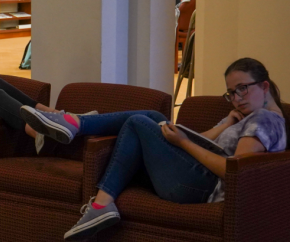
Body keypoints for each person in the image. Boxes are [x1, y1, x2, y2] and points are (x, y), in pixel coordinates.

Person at [20, 58, 288, 241]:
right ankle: (75, 128)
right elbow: (207, 141)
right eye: (231, 92)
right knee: (149, 115)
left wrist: (182, 143)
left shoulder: (265, 120)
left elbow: (234, 172)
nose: (237, 98)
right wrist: (225, 124)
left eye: (243, 89)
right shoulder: (244, 114)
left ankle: (75, 125)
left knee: (139, 122)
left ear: (264, 86)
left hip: (204, 188)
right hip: (197, 176)